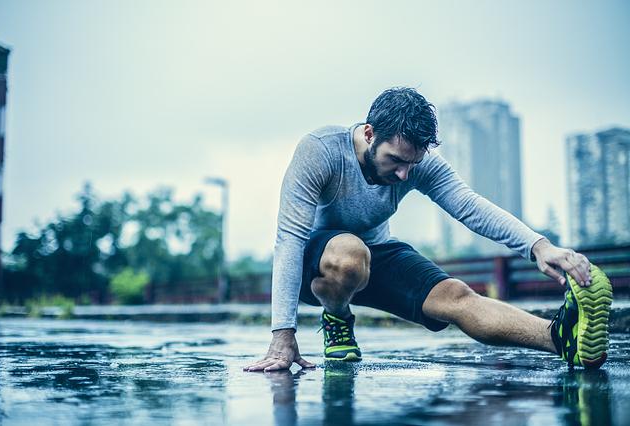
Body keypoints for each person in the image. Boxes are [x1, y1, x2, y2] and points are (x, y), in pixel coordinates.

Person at [243, 87, 613, 373]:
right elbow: (289, 238)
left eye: (413, 164)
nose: (405, 174)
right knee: (349, 253)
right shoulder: (321, 151)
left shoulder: (416, 162)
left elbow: (469, 205)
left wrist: (539, 246)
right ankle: (337, 317)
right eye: (397, 162)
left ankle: (561, 338)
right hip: (318, 263)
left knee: (455, 295)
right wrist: (283, 335)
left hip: (376, 251)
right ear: (370, 134)